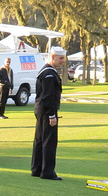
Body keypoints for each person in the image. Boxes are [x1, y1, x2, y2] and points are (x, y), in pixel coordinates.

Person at [32, 46, 66, 180]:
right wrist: (52, 115)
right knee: (49, 141)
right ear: (53, 57)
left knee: (40, 140)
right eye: (61, 58)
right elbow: (49, 96)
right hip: (46, 111)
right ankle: (47, 172)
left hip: (40, 109)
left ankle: (37, 168)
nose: (63, 61)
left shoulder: (45, 71)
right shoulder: (50, 74)